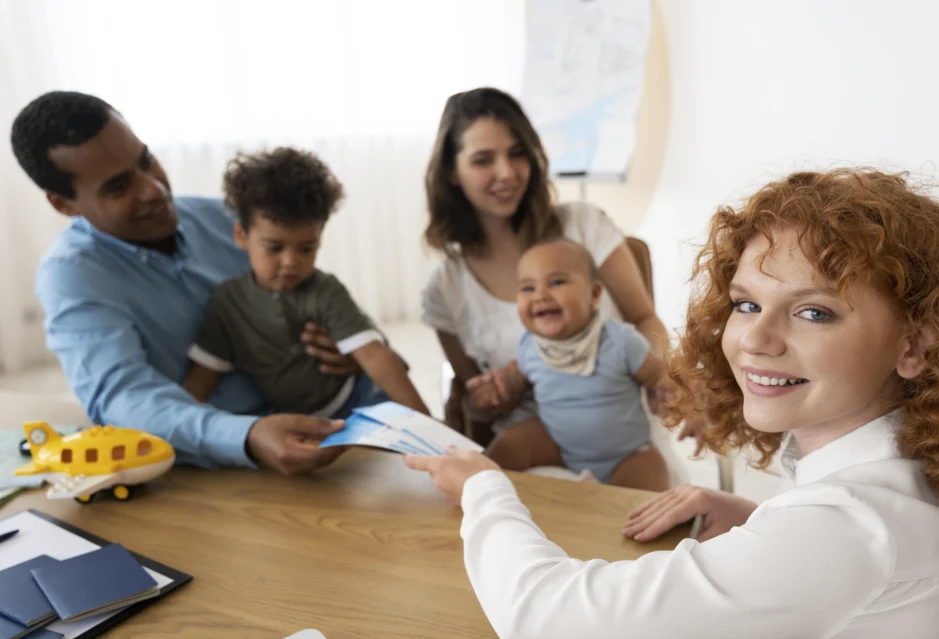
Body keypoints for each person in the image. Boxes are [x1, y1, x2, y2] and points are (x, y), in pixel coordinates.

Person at [406, 168, 939, 639]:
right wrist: (758, 520)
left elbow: (541, 617)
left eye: (814, 311)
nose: (755, 337)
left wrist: (485, 488)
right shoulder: (898, 479)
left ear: (914, 347)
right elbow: (851, 572)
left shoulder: (845, 532)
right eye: (747, 303)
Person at [11, 91, 372, 474]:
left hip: (333, 420)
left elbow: (327, 297)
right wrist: (246, 435)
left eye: (146, 161)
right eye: (118, 186)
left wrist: (347, 344)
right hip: (223, 469)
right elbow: (122, 398)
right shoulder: (71, 276)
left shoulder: (223, 218)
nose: (154, 189)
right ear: (64, 205)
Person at [421, 87, 682, 449]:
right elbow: (476, 406)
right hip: (534, 452)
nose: (506, 172)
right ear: (451, 172)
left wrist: (658, 377)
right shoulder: (444, 289)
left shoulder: (583, 225)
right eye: (483, 160)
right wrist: (492, 397)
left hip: (624, 436)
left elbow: (644, 318)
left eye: (517, 154)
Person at [183, 147, 429, 418]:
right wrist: (184, 426)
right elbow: (203, 377)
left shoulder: (324, 290)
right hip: (295, 419)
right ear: (242, 235)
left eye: (306, 249)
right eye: (275, 248)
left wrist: (427, 423)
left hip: (359, 398)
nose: (290, 262)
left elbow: (374, 356)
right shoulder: (227, 302)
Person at [470, 238, 670, 490]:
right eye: (527, 288)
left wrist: (674, 393)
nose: (540, 295)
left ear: (594, 294)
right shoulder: (530, 346)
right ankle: (481, 489)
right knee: (511, 442)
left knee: (651, 473)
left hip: (626, 454)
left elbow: (660, 375)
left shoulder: (619, 340)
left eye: (557, 282)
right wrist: (498, 388)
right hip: (559, 445)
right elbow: (518, 379)